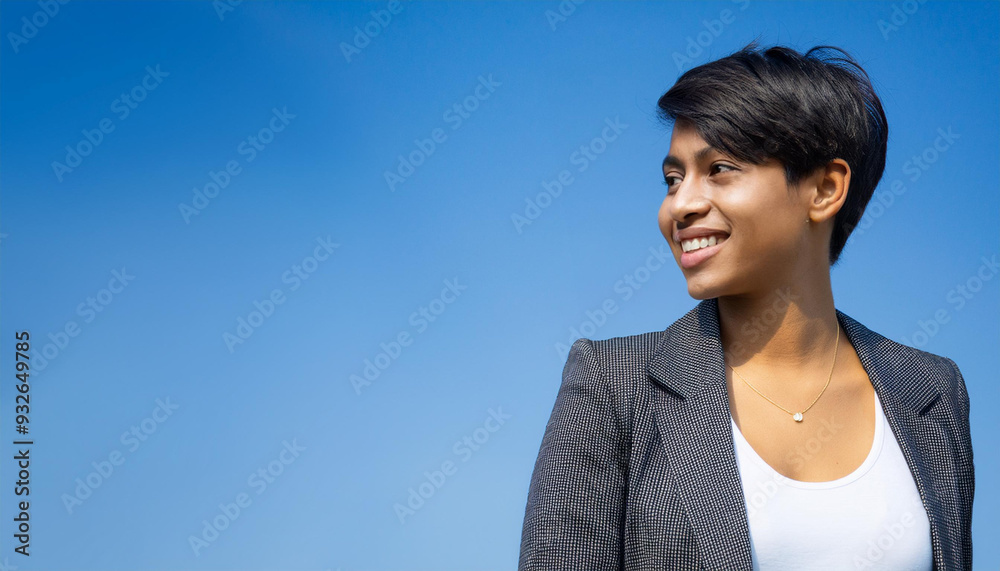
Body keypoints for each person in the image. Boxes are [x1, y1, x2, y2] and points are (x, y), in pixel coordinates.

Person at [517, 41, 974, 571]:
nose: (680, 205)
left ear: (825, 189)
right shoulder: (614, 386)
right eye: (672, 179)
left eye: (719, 169)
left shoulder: (931, 391)